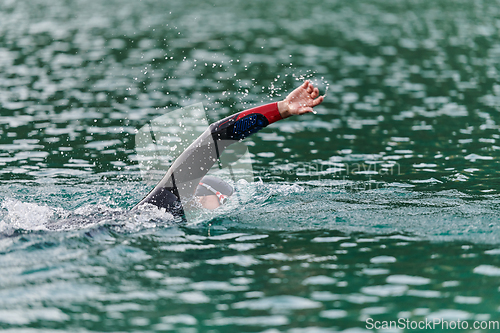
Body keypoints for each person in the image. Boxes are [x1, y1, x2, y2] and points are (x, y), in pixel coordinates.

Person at [133, 80, 325, 216]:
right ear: (207, 197)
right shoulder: (164, 202)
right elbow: (217, 135)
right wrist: (282, 108)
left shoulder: (155, 205)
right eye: (223, 202)